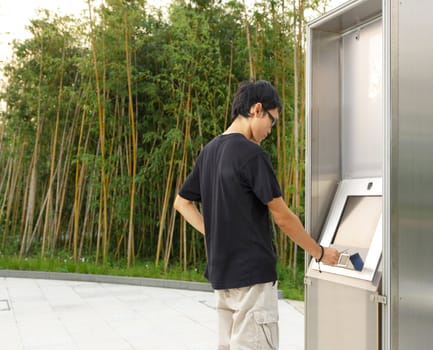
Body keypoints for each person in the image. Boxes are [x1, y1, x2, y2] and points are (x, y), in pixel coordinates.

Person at [173, 80, 339, 350]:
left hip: (223, 279)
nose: (270, 131)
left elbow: (181, 203)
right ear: (257, 109)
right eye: (272, 122)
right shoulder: (252, 155)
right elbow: (282, 217)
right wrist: (319, 252)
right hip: (252, 281)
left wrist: (214, 233)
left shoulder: (209, 152)